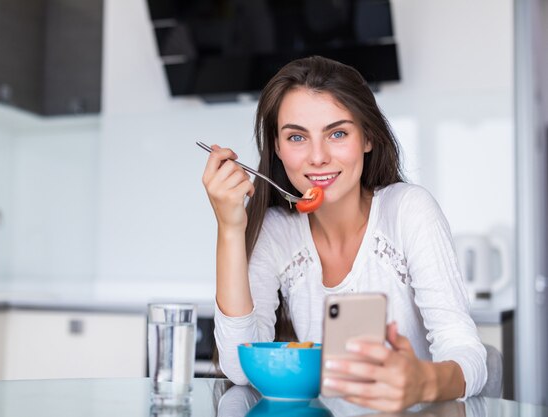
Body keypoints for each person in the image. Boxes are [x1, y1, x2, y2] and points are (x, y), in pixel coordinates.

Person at [201, 55, 487, 411]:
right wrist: (229, 229)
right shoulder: (278, 231)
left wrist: (421, 382)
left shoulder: (408, 211)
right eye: (296, 137)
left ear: (367, 137)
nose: (317, 157)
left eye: (337, 133)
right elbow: (238, 369)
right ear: (277, 147)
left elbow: (468, 355)